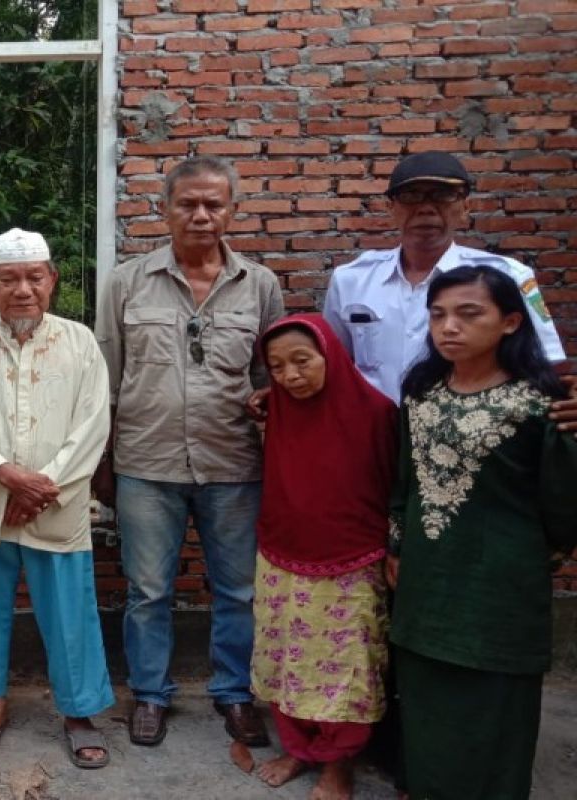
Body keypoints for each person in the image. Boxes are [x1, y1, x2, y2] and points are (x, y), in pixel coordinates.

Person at [94, 156, 285, 748]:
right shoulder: (127, 282)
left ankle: (234, 694)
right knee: (148, 591)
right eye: (188, 204)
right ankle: (150, 694)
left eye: (214, 204)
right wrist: (102, 464)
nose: (201, 215)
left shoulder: (260, 285)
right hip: (146, 465)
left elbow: (271, 374)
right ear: (166, 208)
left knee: (238, 590)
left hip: (233, 463)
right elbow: (105, 378)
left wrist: (264, 397)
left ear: (232, 210)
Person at [388, 266, 577, 799]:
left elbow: (563, 501)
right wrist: (397, 543)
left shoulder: (542, 402)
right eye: (438, 315)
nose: (449, 327)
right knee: (426, 696)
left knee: (494, 702)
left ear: (512, 321)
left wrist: (546, 554)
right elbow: (404, 478)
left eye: (469, 314)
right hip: (427, 575)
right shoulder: (421, 392)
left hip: (502, 578)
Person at [0, 228, 114, 768]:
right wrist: (11, 477)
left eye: (35, 277)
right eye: (9, 279)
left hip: (56, 507)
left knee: (70, 612)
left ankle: (78, 710)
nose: (23, 290)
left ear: (52, 281)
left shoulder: (80, 342)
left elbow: (92, 426)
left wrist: (41, 489)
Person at [249, 314, 398, 800]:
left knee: (344, 667)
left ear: (330, 355)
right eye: (277, 367)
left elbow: (399, 489)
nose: (291, 375)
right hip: (282, 554)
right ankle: (298, 747)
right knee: (286, 659)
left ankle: (339, 763)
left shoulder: (377, 413)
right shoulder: (279, 412)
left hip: (352, 561)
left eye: (302, 361)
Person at [319, 151, 576, 422]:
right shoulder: (351, 279)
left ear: (465, 207)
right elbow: (332, 365)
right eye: (411, 195)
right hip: (370, 434)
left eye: (442, 195)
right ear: (390, 208)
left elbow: (548, 362)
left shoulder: (507, 275)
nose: (426, 208)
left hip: (469, 434)